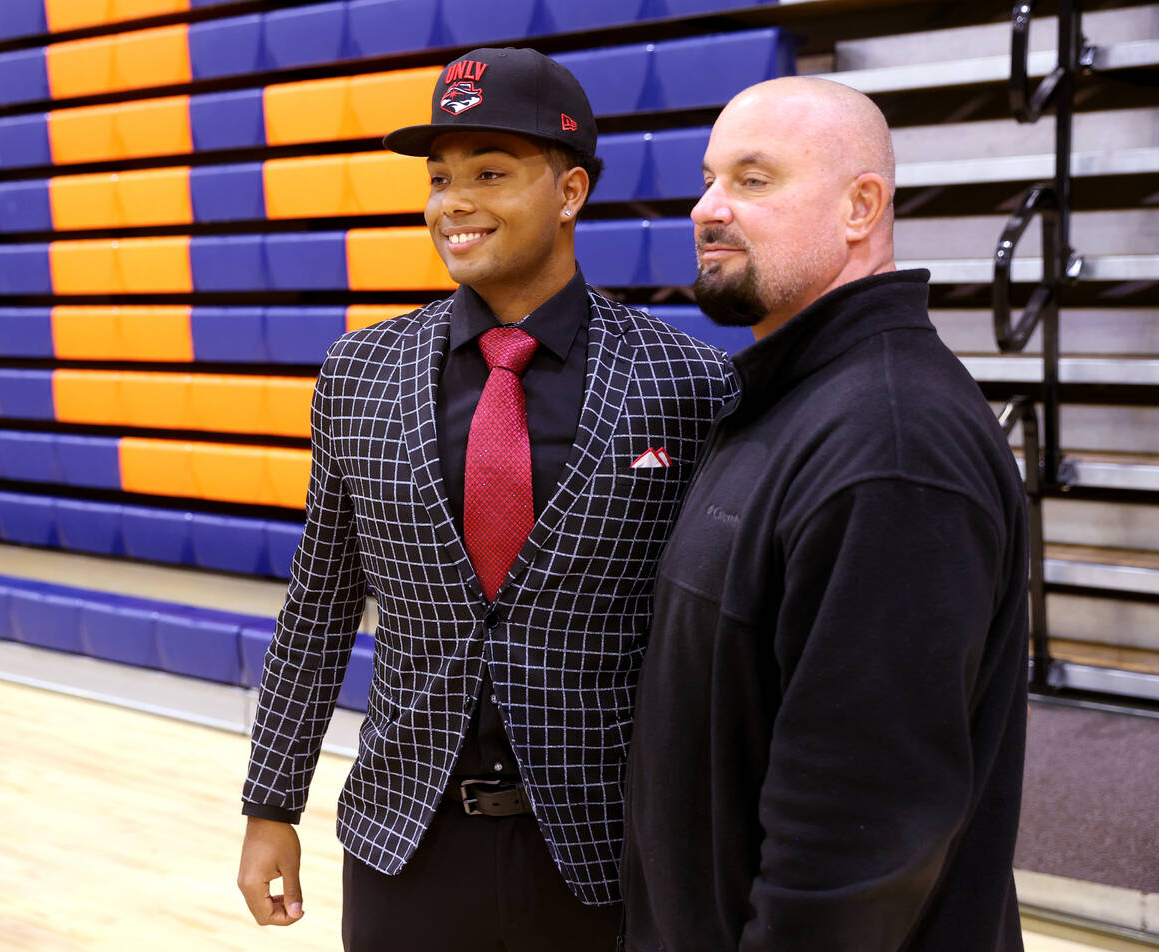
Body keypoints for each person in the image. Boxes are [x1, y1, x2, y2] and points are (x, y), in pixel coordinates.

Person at [236, 47, 737, 951]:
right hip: (404, 842)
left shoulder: (688, 381)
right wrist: (272, 804)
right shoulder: (360, 372)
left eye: (491, 173)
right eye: (438, 179)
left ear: (571, 192)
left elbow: (713, 635)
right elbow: (318, 604)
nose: (451, 203)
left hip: (607, 847)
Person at [621, 76, 1030, 952]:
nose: (707, 207)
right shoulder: (785, 402)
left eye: (753, 179)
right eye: (708, 177)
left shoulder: (891, 448)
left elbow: (858, 841)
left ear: (861, 206)